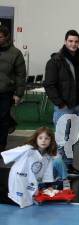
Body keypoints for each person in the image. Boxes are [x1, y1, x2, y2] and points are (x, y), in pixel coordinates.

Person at [44, 29, 79, 175]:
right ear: (65, 41)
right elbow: (49, 85)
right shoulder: (55, 61)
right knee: (62, 140)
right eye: (70, 41)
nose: (73, 44)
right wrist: (60, 103)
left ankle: (68, 166)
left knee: (73, 138)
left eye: (76, 41)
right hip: (64, 107)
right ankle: (57, 170)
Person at [1, 127, 69, 208]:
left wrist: (49, 186)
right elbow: (7, 154)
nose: (43, 140)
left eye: (46, 138)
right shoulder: (27, 149)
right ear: (36, 139)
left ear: (51, 141)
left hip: (31, 182)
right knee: (17, 200)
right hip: (19, 178)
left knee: (29, 202)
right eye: (40, 138)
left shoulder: (48, 156)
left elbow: (48, 173)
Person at [0, 25, 26, 153]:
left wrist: (18, 94)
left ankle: (1, 146)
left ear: (6, 37)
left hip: (5, 92)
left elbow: (21, 75)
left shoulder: (15, 53)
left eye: (0, 37)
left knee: (2, 120)